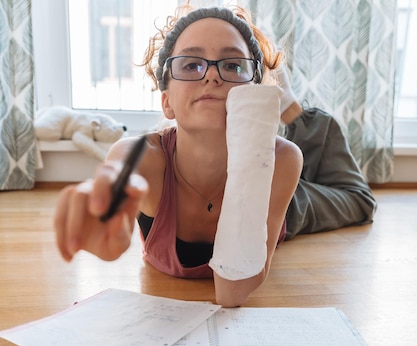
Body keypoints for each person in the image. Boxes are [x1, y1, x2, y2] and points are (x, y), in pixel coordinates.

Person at [54, 3, 376, 308]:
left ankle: (293, 111)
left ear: (255, 92)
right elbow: (118, 177)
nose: (212, 76)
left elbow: (232, 293)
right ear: (167, 102)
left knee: (358, 201)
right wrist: (101, 210)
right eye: (191, 65)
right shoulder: (142, 158)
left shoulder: (283, 161)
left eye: (232, 65)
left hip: (280, 199)